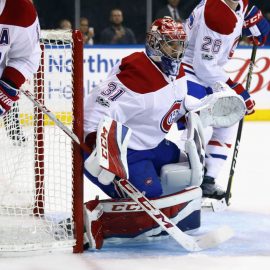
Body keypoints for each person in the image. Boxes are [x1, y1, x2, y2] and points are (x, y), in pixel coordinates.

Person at [81, 17, 245, 249]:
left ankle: (158, 207)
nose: (177, 51)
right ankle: (95, 221)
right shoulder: (135, 75)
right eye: (171, 44)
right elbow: (94, 110)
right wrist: (99, 151)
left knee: (184, 171)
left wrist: (199, 105)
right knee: (151, 203)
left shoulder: (174, 69)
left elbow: (175, 99)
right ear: (154, 43)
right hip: (127, 153)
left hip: (152, 144)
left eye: (180, 45)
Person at [182, 0, 270, 199]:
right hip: (186, 71)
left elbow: (242, 9)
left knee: (230, 118)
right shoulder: (216, 14)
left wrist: (249, 16)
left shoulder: (236, 3)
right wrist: (237, 89)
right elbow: (203, 66)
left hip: (205, 72)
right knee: (198, 124)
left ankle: (207, 180)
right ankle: (186, 181)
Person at [0, 0, 41, 145]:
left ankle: (15, 131)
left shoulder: (20, 10)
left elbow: (27, 56)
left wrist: (8, 86)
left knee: (8, 95)